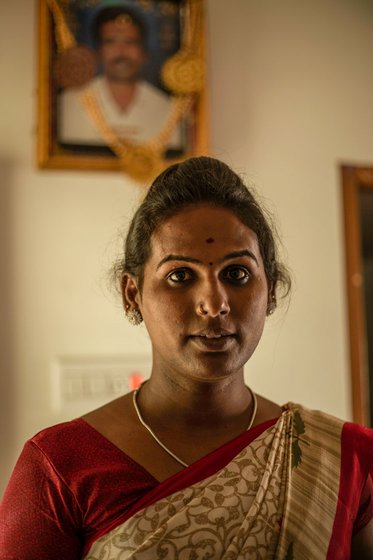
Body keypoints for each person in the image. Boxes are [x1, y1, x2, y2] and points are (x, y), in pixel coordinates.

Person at [1, 156, 373, 559]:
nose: (214, 304)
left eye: (237, 274)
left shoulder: (343, 461)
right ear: (133, 295)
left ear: (273, 289)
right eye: (180, 275)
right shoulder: (60, 467)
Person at [58, 5, 182, 148]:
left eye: (130, 42)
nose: (121, 51)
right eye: (111, 41)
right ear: (98, 51)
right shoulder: (70, 103)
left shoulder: (167, 109)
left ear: (144, 53)